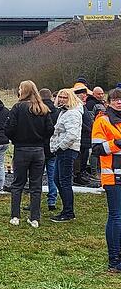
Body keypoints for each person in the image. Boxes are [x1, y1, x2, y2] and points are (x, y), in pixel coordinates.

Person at [6, 80, 54, 228]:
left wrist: (15, 139)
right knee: (36, 185)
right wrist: (41, 139)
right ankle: (35, 218)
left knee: (17, 184)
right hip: (38, 151)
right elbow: (50, 130)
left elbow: (9, 129)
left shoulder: (17, 108)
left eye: (20, 89)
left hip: (21, 150)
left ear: (23, 91)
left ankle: (15, 216)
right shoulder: (43, 108)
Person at [91, 87, 121, 272]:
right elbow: (96, 149)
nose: (119, 102)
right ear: (108, 102)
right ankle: (114, 259)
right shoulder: (102, 121)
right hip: (113, 176)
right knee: (116, 217)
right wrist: (116, 143)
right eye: (116, 99)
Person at [49, 89, 83, 223]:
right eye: (60, 97)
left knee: (64, 181)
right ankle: (66, 209)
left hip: (67, 150)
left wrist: (59, 146)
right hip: (63, 150)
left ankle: (68, 212)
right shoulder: (64, 112)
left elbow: (71, 135)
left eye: (65, 97)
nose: (62, 99)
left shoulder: (72, 114)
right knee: (57, 179)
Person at [40, 88, 60, 210]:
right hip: (53, 147)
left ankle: (34, 201)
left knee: (36, 176)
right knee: (52, 176)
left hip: (40, 147)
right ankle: (52, 201)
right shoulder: (57, 112)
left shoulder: (38, 111)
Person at [73, 82, 95, 186]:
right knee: (80, 158)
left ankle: (82, 173)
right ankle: (78, 176)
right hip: (82, 136)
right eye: (84, 95)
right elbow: (79, 122)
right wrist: (89, 128)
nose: (85, 97)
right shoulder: (76, 107)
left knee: (84, 156)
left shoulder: (82, 105)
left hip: (86, 137)